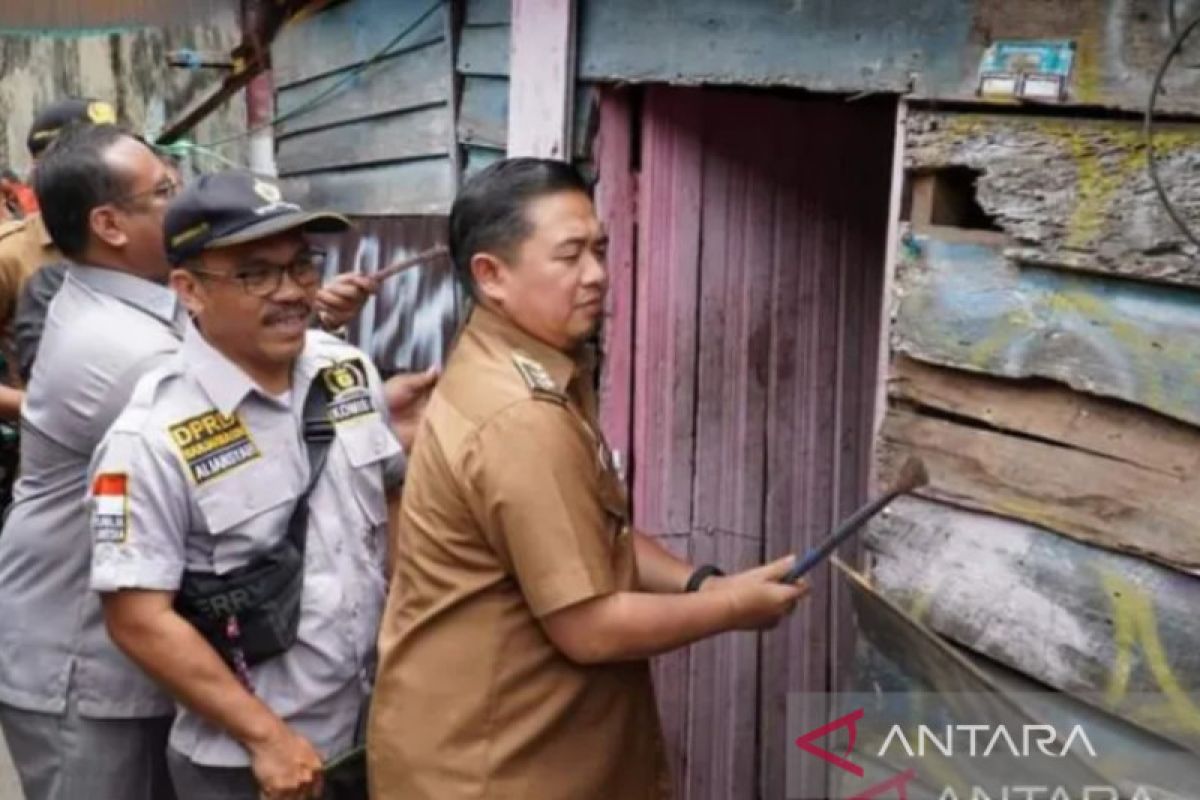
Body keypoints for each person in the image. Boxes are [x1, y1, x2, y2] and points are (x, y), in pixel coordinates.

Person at [367, 158, 810, 799]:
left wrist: (703, 581)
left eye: (600, 250)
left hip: (508, 747)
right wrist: (730, 608)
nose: (597, 275)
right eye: (570, 255)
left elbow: (600, 539)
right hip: (495, 770)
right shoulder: (519, 414)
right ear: (491, 275)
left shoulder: (522, 365)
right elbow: (591, 628)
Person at [89, 170, 409, 800]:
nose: (290, 292)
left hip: (377, 730)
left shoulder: (347, 373)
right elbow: (136, 618)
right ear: (189, 290)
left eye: (301, 267)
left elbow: (391, 497)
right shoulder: (148, 439)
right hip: (251, 766)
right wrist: (267, 738)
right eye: (255, 274)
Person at [0, 123, 183, 800]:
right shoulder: (124, 349)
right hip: (79, 661)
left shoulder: (137, 304)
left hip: (114, 650)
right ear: (108, 224)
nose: (183, 199)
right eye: (164, 191)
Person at [4, 98, 118, 384]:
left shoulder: (138, 236)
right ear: (43, 168)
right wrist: (29, 407)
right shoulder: (11, 255)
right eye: (90, 156)